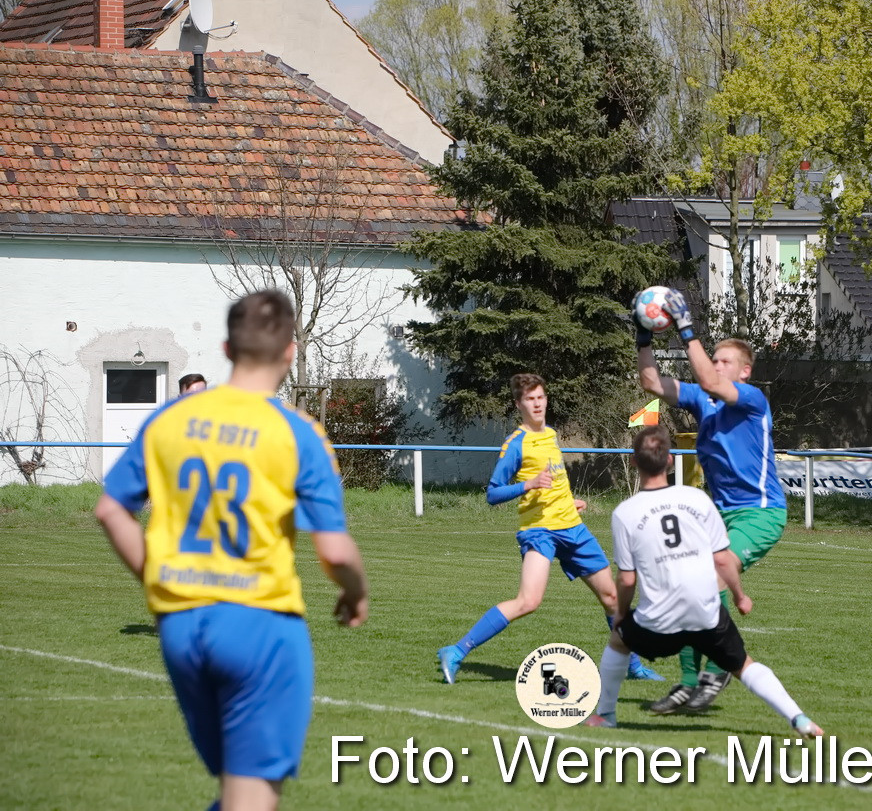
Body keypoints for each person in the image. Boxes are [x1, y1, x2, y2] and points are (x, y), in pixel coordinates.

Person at [94, 289, 369, 811]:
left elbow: (111, 509)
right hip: (259, 623)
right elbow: (335, 552)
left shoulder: (170, 419)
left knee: (238, 790)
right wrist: (356, 593)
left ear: (226, 348)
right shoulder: (297, 433)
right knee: (252, 797)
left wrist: (158, 577)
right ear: (290, 351)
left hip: (180, 628)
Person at [585, 425, 821, 738]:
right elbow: (722, 559)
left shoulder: (625, 513)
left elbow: (627, 578)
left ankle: (605, 715)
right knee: (743, 665)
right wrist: (739, 596)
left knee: (619, 642)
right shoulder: (697, 498)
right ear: (670, 460)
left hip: (660, 617)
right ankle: (800, 719)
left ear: (633, 461)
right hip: (706, 612)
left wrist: (621, 615)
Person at [436, 373, 661, 684]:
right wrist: (528, 484)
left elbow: (554, 482)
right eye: (530, 399)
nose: (537, 403)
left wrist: (569, 501)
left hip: (572, 528)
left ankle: (633, 667)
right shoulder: (516, 444)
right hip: (539, 531)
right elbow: (492, 493)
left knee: (612, 597)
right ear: (519, 404)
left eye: (541, 397)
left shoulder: (551, 434)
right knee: (529, 601)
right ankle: (456, 651)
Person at [634, 287, 788, 713]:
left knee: (709, 580)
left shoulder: (753, 401)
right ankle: (688, 683)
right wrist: (643, 337)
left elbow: (707, 380)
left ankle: (717, 669)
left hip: (759, 514)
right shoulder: (705, 399)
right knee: (689, 590)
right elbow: (651, 382)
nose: (717, 366)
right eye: (714, 359)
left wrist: (687, 329)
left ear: (745, 372)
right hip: (717, 515)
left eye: (725, 362)